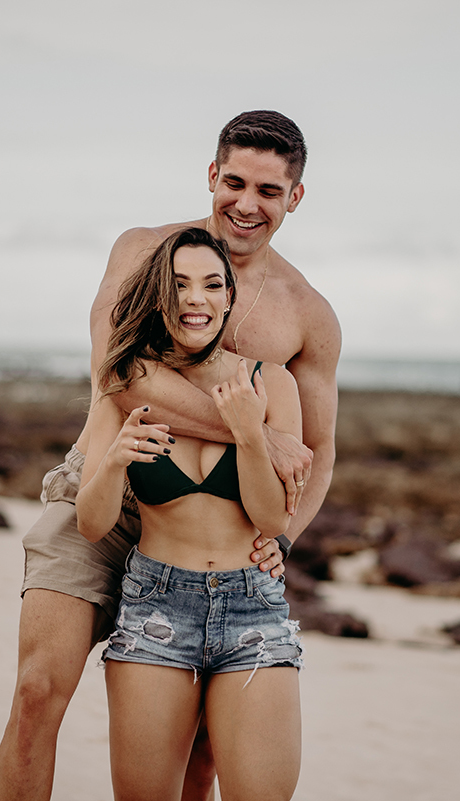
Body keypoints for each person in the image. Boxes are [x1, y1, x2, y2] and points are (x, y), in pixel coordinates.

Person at [0, 110, 341, 801]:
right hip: (106, 481)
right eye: (234, 182)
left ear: (295, 197)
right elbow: (116, 373)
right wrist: (252, 429)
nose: (246, 204)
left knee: (203, 751)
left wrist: (282, 540)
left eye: (269, 191)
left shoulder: (307, 313)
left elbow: (320, 448)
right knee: (36, 690)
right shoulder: (142, 253)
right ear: (211, 175)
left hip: (218, 524)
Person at [79, 226, 303, 801]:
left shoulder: (271, 383)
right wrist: (116, 459)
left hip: (253, 608)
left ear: (229, 297)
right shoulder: (125, 384)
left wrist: (250, 434)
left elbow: (272, 520)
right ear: (159, 297)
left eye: (210, 284)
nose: (194, 299)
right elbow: (91, 524)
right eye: (178, 285)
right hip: (156, 606)